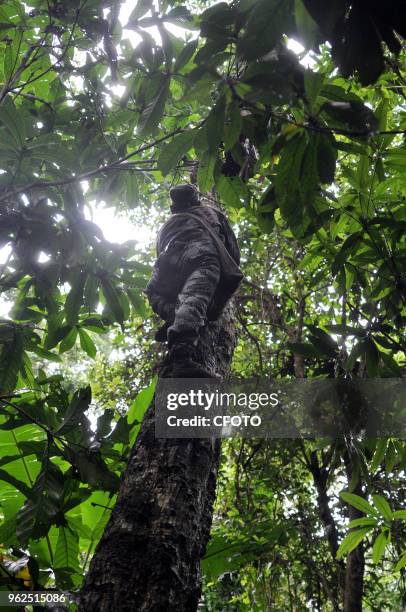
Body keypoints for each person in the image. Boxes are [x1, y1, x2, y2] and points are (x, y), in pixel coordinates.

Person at [145, 184, 243, 376]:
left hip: (167, 262)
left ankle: (175, 317)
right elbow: (232, 251)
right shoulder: (210, 212)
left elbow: (159, 251)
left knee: (154, 294)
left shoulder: (168, 224)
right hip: (201, 255)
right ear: (195, 200)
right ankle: (182, 359)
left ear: (175, 207)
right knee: (196, 298)